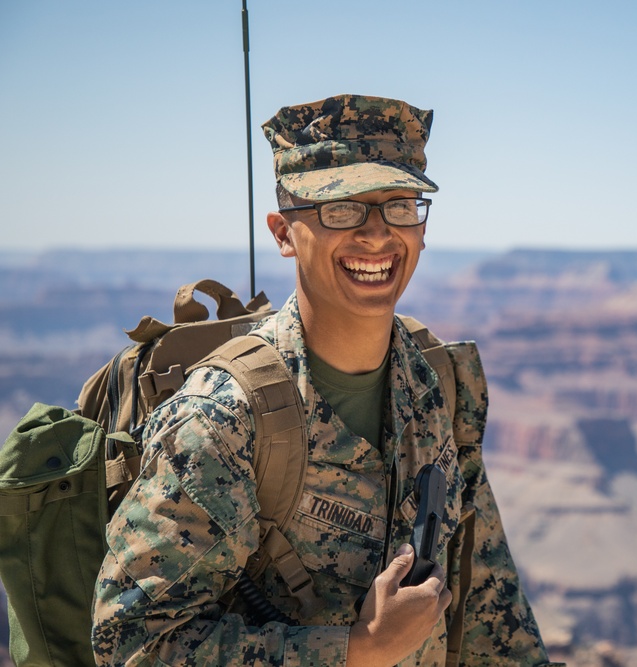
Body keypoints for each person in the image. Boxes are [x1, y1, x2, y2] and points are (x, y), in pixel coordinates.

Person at [92, 94, 558, 666]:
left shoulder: (433, 381)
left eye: (400, 206)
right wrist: (356, 651)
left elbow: (487, 604)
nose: (378, 235)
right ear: (284, 233)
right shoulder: (224, 418)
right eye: (342, 210)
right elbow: (134, 646)